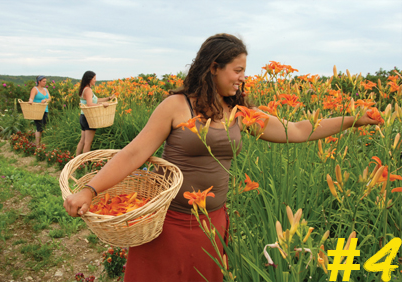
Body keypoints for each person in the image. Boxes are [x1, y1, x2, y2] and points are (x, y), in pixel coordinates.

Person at [64, 34, 380, 281]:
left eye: (245, 70)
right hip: (168, 224)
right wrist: (90, 190)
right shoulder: (176, 106)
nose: (243, 77)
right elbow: (133, 152)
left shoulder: (239, 113)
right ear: (213, 67)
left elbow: (296, 130)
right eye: (237, 70)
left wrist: (353, 118)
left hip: (211, 224)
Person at [76, 71, 114, 155]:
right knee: (88, 143)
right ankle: (85, 164)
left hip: (83, 116)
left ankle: (76, 161)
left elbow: (96, 100)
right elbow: (90, 104)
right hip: (89, 118)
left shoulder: (84, 89)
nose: (95, 80)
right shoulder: (88, 90)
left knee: (82, 141)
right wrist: (102, 105)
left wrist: (107, 98)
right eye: (94, 78)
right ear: (89, 79)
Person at [29, 75, 51, 147]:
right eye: (43, 81)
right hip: (37, 110)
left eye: (45, 81)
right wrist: (30, 101)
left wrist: (45, 100)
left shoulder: (46, 90)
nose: (45, 83)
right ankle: (38, 145)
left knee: (42, 127)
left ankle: (39, 143)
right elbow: (31, 98)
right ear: (39, 82)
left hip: (45, 110)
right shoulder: (35, 89)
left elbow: (49, 98)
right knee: (39, 127)